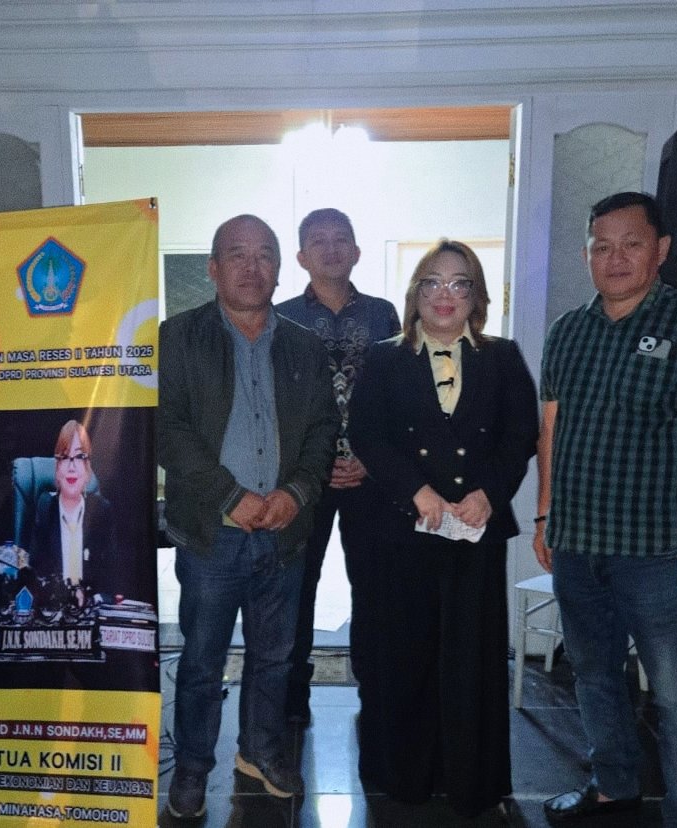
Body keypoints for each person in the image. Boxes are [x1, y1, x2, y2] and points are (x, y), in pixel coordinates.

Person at [535, 192, 677, 827]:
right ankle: (613, 786)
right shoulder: (567, 331)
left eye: (631, 244)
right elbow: (552, 431)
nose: (615, 258)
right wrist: (546, 516)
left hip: (661, 551)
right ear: (586, 254)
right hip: (578, 543)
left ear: (661, 250)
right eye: (601, 246)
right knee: (594, 675)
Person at [348, 239, 538, 818]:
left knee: (471, 660)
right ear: (415, 294)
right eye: (432, 282)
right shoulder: (384, 358)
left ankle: (471, 783)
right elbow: (367, 434)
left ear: (476, 295)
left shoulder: (502, 357)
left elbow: (520, 435)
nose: (445, 295)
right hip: (403, 528)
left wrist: (489, 494)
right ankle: (405, 778)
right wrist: (417, 491)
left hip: (475, 529)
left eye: (459, 283)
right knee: (404, 657)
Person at [158, 214, 339, 818]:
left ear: (279, 268)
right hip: (213, 533)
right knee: (201, 660)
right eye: (237, 255)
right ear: (213, 268)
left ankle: (260, 751)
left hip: (284, 532)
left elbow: (323, 430)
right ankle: (192, 767)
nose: (251, 267)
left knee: (275, 657)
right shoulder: (177, 337)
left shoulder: (304, 345)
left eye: (264, 255)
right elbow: (167, 429)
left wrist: (297, 492)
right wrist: (229, 495)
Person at [275, 207, 401, 726]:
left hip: (373, 477)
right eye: (319, 241)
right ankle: (291, 697)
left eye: (340, 239)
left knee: (374, 588)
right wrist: (313, 465)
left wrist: (371, 460)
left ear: (356, 251)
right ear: (301, 256)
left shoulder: (384, 315)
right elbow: (277, 407)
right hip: (305, 479)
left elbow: (398, 397)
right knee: (296, 586)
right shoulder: (280, 317)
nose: (331, 249)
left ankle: (378, 690)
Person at [29, 418, 121, 597]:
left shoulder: (102, 511)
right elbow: (36, 572)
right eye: (64, 457)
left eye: (79, 457)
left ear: (87, 469)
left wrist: (88, 597)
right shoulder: (45, 508)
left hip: (91, 606)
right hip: (55, 605)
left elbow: (111, 578)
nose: (71, 467)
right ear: (57, 468)